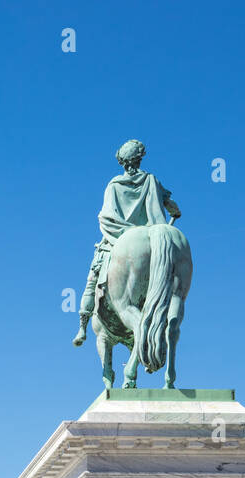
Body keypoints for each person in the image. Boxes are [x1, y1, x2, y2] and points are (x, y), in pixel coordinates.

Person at [74, 138, 181, 342]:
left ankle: (82, 328)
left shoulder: (114, 185)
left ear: (123, 162)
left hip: (116, 239)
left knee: (91, 281)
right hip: (151, 236)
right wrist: (175, 212)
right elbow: (172, 206)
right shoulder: (151, 180)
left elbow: (105, 216)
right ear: (140, 159)